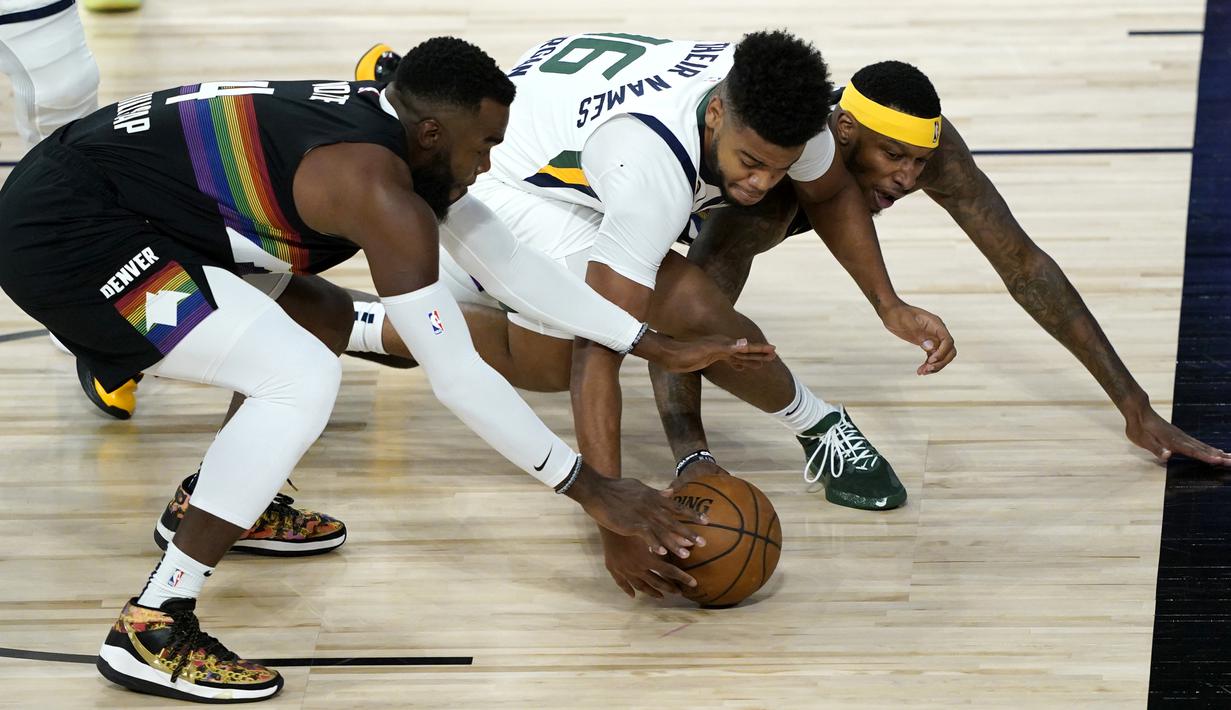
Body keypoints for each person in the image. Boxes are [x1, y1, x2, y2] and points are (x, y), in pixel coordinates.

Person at [0, 37, 749, 702]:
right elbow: (454, 373)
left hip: (133, 203)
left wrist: (642, 339)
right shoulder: (377, 190)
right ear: (431, 133)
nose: (490, 164)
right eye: (485, 145)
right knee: (297, 377)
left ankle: (220, 497)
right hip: (69, 234)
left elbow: (512, 266)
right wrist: (590, 489)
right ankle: (155, 623)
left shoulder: (403, 141)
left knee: (308, 321)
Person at [352, 32, 956, 600]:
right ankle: (361, 321)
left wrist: (889, 304)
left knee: (663, 314)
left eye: (780, 168)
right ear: (717, 113)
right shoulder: (651, 173)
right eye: (751, 162)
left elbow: (828, 193)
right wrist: (612, 520)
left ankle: (819, 426)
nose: (761, 184)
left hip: (565, 117)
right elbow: (601, 348)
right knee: (603, 341)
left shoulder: (788, 114)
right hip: (513, 178)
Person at [650, 59, 1231, 471]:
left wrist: (1135, 406)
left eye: (919, 163)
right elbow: (682, 318)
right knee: (598, 342)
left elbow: (1025, 266)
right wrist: (692, 460)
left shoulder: (925, 155)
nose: (907, 179)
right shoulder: (767, 192)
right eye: (894, 157)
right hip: (611, 170)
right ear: (844, 133)